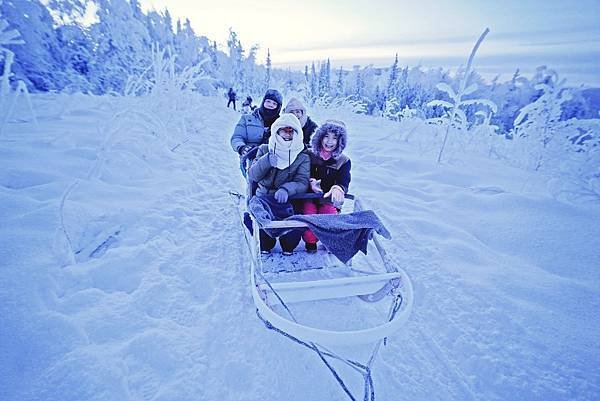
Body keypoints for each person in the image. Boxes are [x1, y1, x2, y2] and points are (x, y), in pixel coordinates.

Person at [248, 113, 310, 255]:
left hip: (287, 201)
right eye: (284, 130)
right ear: (277, 130)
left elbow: (302, 182)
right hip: (263, 198)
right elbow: (253, 175)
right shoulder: (265, 149)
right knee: (265, 242)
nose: (287, 134)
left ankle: (287, 240)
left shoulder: (302, 156)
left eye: (291, 131)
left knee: (290, 242)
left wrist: (286, 189)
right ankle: (263, 237)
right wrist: (267, 161)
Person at [302, 119, 351, 252]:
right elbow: (302, 173)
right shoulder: (309, 154)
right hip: (309, 196)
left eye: (334, 138)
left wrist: (338, 188)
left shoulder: (343, 160)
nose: (329, 142)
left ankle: (328, 241)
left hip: (328, 198)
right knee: (309, 216)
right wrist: (311, 182)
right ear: (320, 137)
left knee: (329, 217)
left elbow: (344, 180)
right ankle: (310, 242)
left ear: (340, 141)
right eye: (326, 136)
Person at [230, 89, 283, 174]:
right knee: (253, 185)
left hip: (273, 162)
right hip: (250, 160)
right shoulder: (247, 119)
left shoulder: (281, 123)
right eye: (268, 101)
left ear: (278, 107)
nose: (270, 105)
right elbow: (237, 137)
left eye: (274, 103)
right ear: (263, 102)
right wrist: (242, 148)